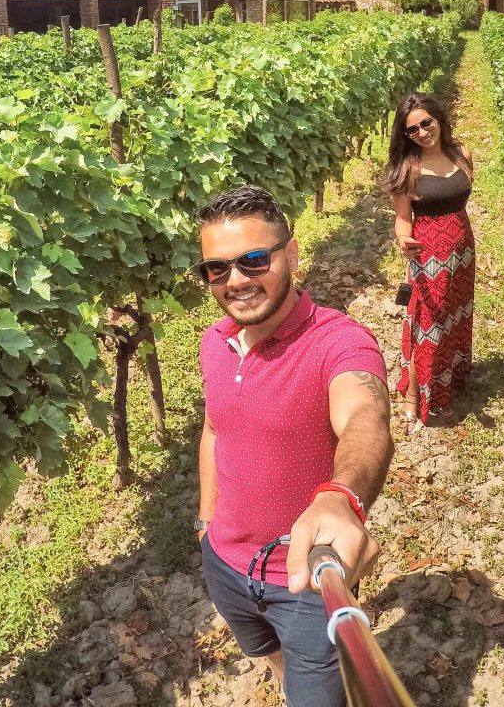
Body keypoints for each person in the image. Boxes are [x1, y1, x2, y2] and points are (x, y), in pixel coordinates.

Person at [193, 185, 394, 705]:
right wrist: (205, 522)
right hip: (224, 563)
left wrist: (340, 495)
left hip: (305, 582)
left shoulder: (337, 342)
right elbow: (214, 430)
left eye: (254, 261)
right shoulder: (214, 342)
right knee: (269, 657)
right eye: (216, 269)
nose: (236, 281)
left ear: (293, 254)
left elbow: (366, 417)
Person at [384, 93, 476, 434]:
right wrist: (402, 238)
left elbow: (460, 199)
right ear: (405, 136)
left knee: (457, 313)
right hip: (428, 255)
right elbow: (402, 218)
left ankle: (449, 378)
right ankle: (414, 394)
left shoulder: (462, 153)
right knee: (427, 321)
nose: (422, 132)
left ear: (439, 119)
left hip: (463, 249)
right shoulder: (407, 169)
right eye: (412, 130)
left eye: (427, 123)